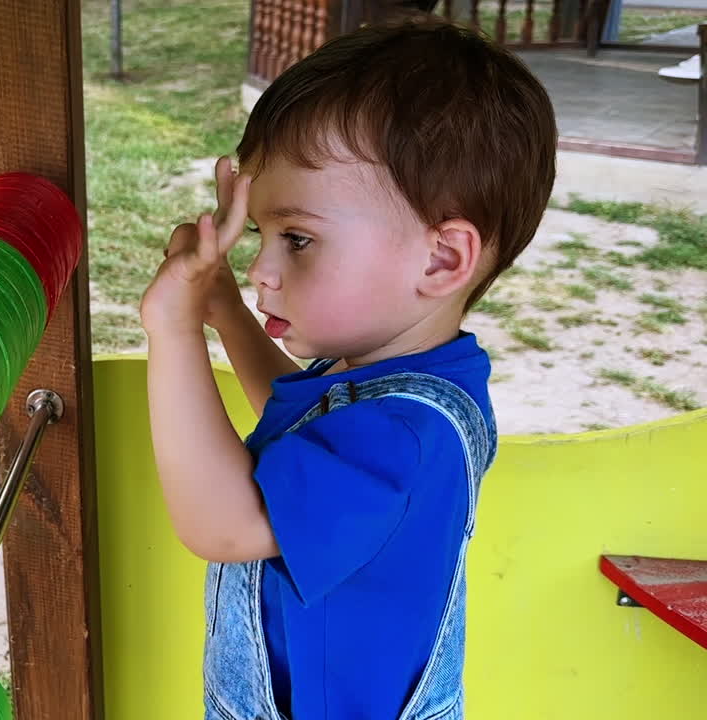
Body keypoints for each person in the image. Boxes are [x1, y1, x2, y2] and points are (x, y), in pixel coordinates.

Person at [139, 18, 557, 720]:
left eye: (297, 239)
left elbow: (224, 525)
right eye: (263, 236)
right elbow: (297, 419)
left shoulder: (400, 436)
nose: (262, 271)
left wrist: (174, 330)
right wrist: (229, 315)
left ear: (441, 260)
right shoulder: (419, 373)